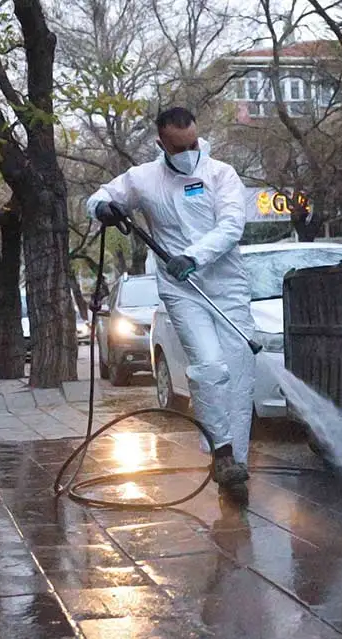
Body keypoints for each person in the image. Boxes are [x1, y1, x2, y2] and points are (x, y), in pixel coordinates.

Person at [86, 106, 253, 500]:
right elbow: (101, 195)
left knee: (239, 372)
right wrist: (101, 208)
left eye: (194, 143)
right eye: (179, 147)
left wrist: (193, 256)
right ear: (162, 143)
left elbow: (231, 225)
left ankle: (235, 469)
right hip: (182, 291)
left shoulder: (220, 174)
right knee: (209, 365)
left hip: (226, 285)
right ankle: (223, 453)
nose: (189, 151)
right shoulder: (144, 179)